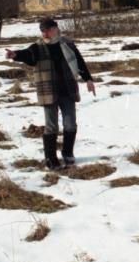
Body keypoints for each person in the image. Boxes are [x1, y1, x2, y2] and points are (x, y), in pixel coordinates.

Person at [6, 18, 95, 169]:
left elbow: (79, 62)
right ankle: (51, 159)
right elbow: (27, 55)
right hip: (48, 92)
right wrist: (15, 55)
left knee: (70, 124)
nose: (45, 33)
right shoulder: (37, 47)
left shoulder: (67, 44)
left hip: (67, 90)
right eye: (42, 31)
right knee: (51, 126)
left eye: (47, 30)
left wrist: (88, 79)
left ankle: (68, 153)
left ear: (56, 29)